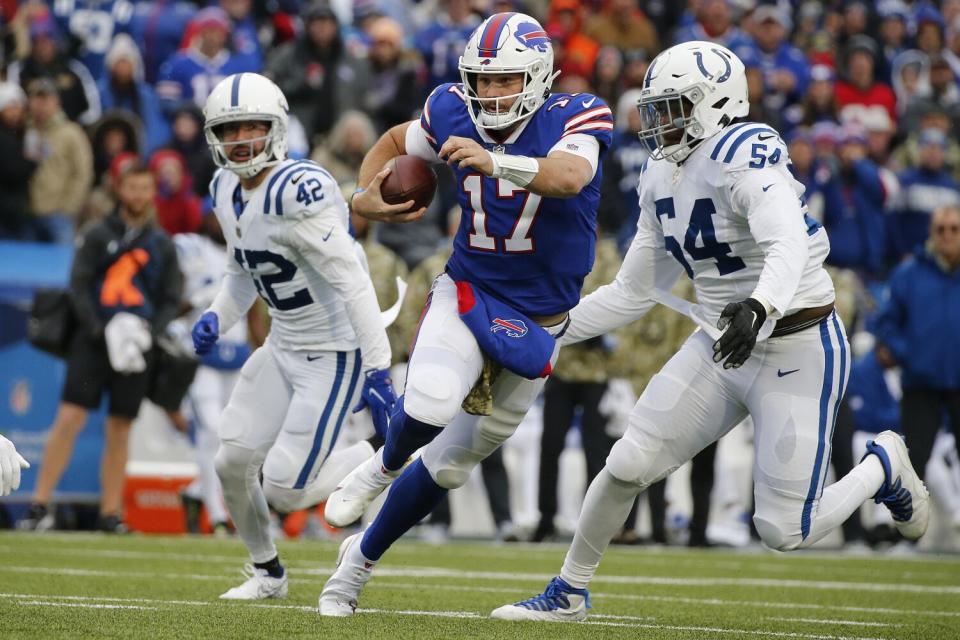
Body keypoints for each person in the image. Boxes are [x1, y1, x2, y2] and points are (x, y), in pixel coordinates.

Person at [489, 41, 930, 622]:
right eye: (654, 108)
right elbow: (632, 291)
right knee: (626, 463)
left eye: (672, 107)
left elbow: (787, 244)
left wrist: (759, 304)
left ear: (716, 104)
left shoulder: (744, 150)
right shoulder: (658, 172)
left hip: (799, 341)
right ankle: (568, 591)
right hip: (723, 342)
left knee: (782, 530)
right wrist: (543, 332)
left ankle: (883, 463)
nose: (657, 122)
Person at [319, 12, 614, 616]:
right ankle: (380, 472)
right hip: (470, 288)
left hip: (542, 319)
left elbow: (569, 175)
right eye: (482, 80)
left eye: (505, 80)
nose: (490, 94)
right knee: (429, 400)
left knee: (451, 468)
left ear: (535, 77)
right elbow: (399, 141)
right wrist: (365, 197)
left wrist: (494, 161)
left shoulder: (577, 114)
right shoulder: (453, 108)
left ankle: (360, 554)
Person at [193, 72, 396, 600]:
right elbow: (244, 271)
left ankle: (388, 449)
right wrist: (219, 314)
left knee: (285, 490)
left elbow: (353, 281)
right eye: (229, 130)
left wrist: (378, 367)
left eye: (251, 127)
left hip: (333, 352)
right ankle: (268, 574)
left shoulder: (299, 190)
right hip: (283, 343)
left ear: (276, 128)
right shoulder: (223, 188)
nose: (240, 140)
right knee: (231, 462)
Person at [18, 163, 182, 533]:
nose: (138, 195)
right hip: (93, 342)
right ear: (119, 190)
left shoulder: (161, 243)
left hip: (136, 347)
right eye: (132, 187)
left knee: (121, 427)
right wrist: (97, 327)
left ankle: (111, 512)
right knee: (69, 418)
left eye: (145, 188)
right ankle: (39, 504)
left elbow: (172, 296)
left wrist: (148, 332)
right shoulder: (96, 234)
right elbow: (78, 284)